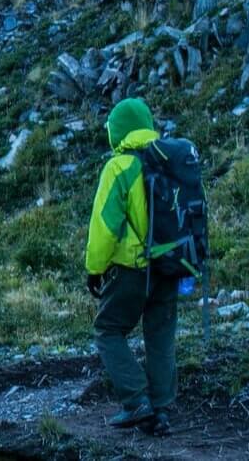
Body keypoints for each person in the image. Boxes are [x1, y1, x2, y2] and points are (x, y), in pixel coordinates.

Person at [85, 97, 181, 436]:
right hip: (171, 264)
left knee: (108, 329)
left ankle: (136, 400)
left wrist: (94, 269)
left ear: (118, 130)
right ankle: (162, 410)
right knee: (160, 335)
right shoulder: (170, 159)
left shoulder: (119, 166)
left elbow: (105, 227)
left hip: (132, 268)